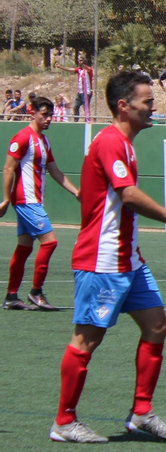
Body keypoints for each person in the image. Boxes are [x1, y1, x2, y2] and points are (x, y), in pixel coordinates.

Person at [52, 70, 166, 443]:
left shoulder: (124, 145)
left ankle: (142, 413)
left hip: (128, 259)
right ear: (123, 106)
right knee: (87, 340)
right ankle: (64, 422)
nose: (153, 107)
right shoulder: (110, 142)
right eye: (147, 101)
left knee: (157, 326)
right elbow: (128, 195)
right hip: (102, 260)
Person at [2, 96, 80, 311]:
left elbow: (55, 172)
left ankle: (11, 296)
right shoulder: (22, 137)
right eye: (44, 115)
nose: (48, 119)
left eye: (50, 115)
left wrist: (76, 192)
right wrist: (6, 199)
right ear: (32, 113)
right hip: (26, 200)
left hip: (34, 201)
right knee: (49, 242)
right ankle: (36, 292)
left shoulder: (44, 141)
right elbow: (8, 168)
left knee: (24, 248)